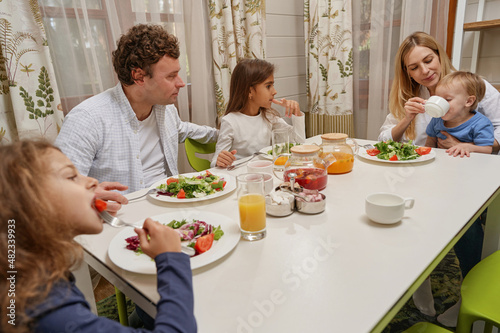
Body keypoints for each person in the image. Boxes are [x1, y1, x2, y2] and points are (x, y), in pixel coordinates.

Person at [0, 140, 196, 333]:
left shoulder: (26, 277)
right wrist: (171, 258)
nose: (93, 181)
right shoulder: (49, 313)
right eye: (71, 177)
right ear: (31, 209)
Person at [55, 24, 218, 194]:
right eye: (171, 76)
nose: (181, 83)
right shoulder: (87, 119)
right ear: (139, 77)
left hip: (169, 205)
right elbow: (56, 185)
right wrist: (88, 194)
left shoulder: (166, 110)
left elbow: (183, 129)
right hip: (122, 215)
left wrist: (230, 132)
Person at [378, 31, 500, 153]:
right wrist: (407, 119)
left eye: (428, 60)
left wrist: (465, 146)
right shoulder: (409, 97)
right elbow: (382, 141)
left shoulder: (472, 86)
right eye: (414, 68)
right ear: (407, 72)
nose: (425, 71)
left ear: (439, 56)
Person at [212, 58, 306, 168]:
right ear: (249, 91)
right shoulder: (230, 122)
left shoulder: (269, 116)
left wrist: (297, 114)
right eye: (268, 86)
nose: (274, 91)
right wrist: (220, 161)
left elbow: (299, 144)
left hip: (267, 173)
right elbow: (214, 163)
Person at [425, 71, 494, 157]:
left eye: (448, 99)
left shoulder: (481, 123)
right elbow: (430, 142)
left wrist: (469, 147)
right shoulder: (437, 119)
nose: (440, 103)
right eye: (438, 98)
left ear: (468, 101)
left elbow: (487, 149)